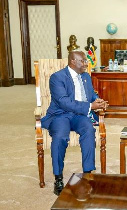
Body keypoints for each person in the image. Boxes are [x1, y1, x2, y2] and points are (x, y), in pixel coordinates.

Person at [41, 50, 108, 196]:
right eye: (83, 61)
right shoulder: (57, 77)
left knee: (89, 131)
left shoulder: (85, 76)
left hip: (80, 115)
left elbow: (90, 94)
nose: (86, 63)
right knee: (60, 137)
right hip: (60, 115)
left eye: (85, 61)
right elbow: (64, 102)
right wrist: (90, 107)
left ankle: (88, 174)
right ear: (73, 61)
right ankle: (58, 178)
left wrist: (97, 101)